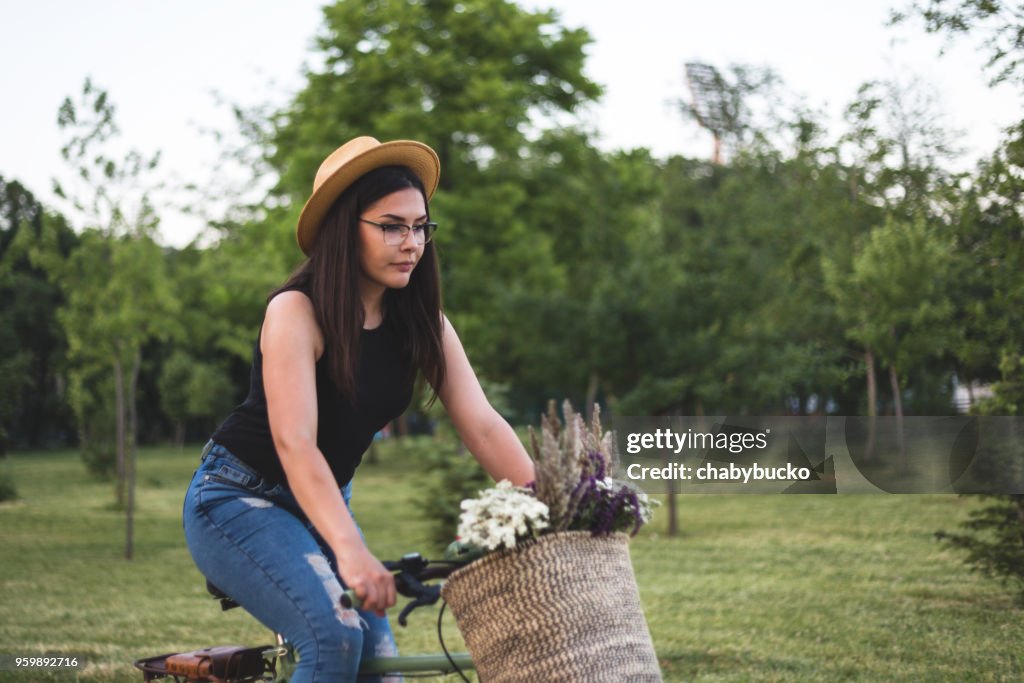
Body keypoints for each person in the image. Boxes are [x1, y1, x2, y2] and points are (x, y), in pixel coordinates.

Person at [182, 136, 536, 683]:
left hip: (325, 504)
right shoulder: (296, 312)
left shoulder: (423, 325)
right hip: (239, 496)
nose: (411, 242)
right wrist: (350, 553)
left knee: (381, 669)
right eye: (392, 225)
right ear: (346, 228)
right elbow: (294, 443)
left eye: (420, 227)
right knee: (335, 637)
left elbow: (483, 425)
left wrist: (555, 508)